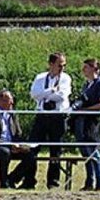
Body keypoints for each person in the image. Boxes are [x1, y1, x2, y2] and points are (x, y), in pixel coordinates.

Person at [28, 52, 72, 188]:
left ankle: (53, 181)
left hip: (58, 116)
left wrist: (45, 94)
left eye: (64, 65)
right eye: (59, 65)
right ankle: (28, 180)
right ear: (51, 64)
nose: (62, 68)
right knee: (32, 148)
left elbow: (62, 96)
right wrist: (51, 90)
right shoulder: (40, 78)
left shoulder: (65, 78)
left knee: (56, 150)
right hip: (42, 115)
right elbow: (34, 95)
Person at [70, 58, 100, 191]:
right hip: (83, 120)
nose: (83, 70)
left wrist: (86, 109)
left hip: (92, 121)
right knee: (85, 152)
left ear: (94, 69)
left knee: (93, 151)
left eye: (86, 67)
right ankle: (89, 181)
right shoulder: (86, 84)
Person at [0, 89, 36, 188]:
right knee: (5, 153)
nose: (12, 102)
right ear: (0, 101)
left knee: (30, 155)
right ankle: (3, 182)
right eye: (9, 100)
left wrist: (21, 145)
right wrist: (10, 145)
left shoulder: (12, 114)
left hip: (12, 145)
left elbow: (18, 134)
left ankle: (13, 179)